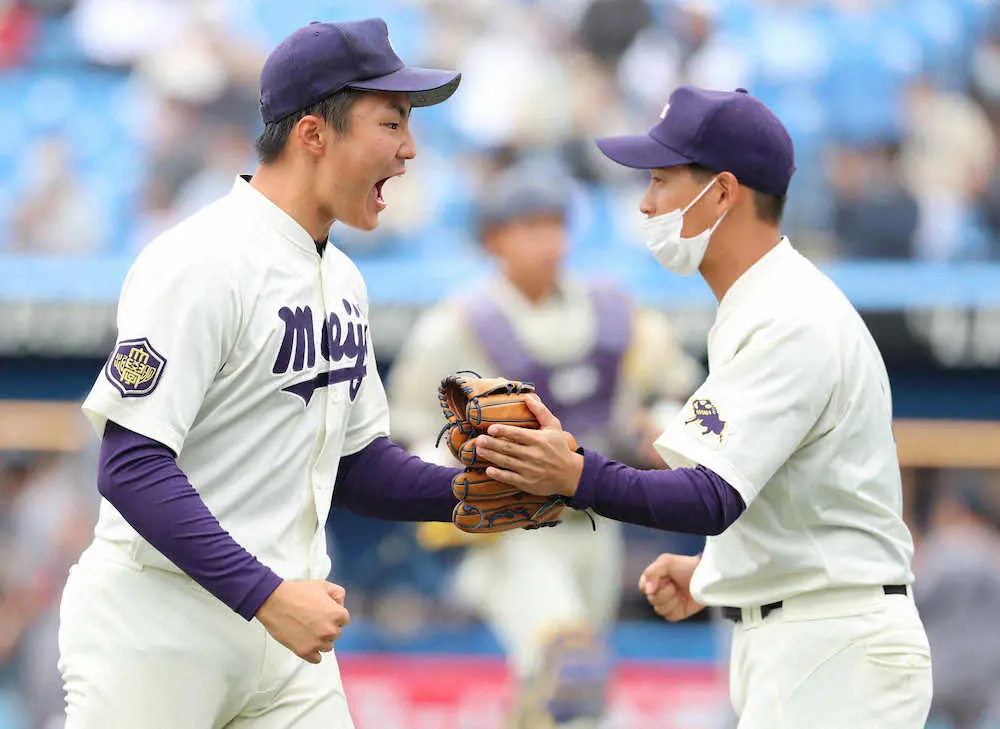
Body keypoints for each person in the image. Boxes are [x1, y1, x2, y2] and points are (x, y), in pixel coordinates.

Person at [473, 86, 934, 728]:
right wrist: (718, 571)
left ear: (721, 193)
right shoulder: (762, 305)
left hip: (834, 644)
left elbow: (709, 497)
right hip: (813, 637)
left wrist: (574, 474)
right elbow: (787, 495)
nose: (646, 202)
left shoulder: (789, 316)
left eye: (661, 180)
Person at [58, 18, 470, 729]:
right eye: (391, 123)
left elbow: (358, 466)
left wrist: (478, 491)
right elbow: (131, 467)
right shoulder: (200, 260)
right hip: (158, 627)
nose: (409, 149)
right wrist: (268, 597)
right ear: (313, 134)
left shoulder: (342, 279)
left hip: (289, 634)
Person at [387, 160, 702, 728]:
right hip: (513, 529)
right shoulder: (459, 324)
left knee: (570, 695)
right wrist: (446, 481)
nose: (547, 241)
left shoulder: (614, 309)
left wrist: (665, 425)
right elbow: (408, 431)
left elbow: (677, 390)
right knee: (570, 668)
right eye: (529, 226)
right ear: (494, 239)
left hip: (597, 517)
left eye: (554, 225)